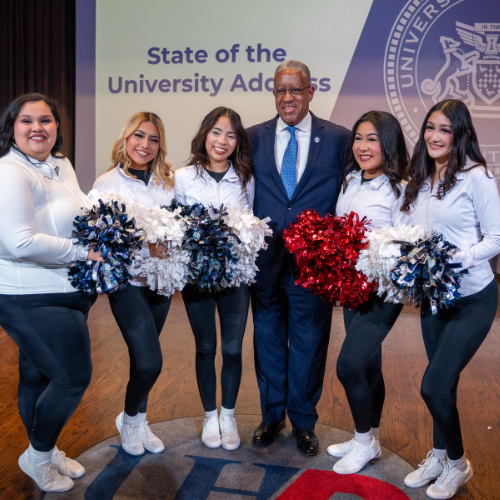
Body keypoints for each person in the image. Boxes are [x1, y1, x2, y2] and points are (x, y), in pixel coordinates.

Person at [247, 60, 350, 456]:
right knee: (268, 341)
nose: (287, 97)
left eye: (295, 89)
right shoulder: (252, 137)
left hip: (313, 266)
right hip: (266, 262)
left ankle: (304, 422)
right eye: (279, 90)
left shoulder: (339, 138)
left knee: (309, 344)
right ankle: (272, 417)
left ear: (310, 91)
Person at [0, 93, 103, 492]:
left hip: (66, 288)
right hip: (29, 294)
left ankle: (44, 447)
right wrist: (84, 253)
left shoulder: (60, 165)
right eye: (27, 121)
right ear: (12, 127)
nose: (37, 128)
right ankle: (38, 456)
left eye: (46, 120)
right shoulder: (10, 171)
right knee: (72, 378)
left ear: (58, 126)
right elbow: (20, 242)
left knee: (36, 375)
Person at [401, 99, 500, 499]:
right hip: (434, 298)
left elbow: (496, 237)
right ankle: (440, 456)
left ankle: (458, 464)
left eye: (445, 129)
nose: (435, 136)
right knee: (445, 383)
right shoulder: (421, 177)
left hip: (473, 298)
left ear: (460, 135)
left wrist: (458, 259)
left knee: (433, 386)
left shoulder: (476, 177)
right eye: (430, 127)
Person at [329, 111, 409, 473]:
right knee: (369, 365)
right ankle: (371, 437)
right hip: (351, 287)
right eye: (358, 138)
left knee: (348, 366)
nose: (362, 146)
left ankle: (363, 442)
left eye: (372, 139)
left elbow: (405, 246)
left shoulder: (401, 190)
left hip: (382, 292)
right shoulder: (349, 181)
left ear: (388, 143)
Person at [92, 112, 175, 456]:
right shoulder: (106, 183)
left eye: (153, 139)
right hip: (126, 282)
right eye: (139, 136)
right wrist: (140, 241)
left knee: (142, 358)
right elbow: (96, 238)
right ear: (126, 138)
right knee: (150, 362)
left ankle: (140, 418)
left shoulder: (166, 182)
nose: (145, 145)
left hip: (161, 280)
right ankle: (128, 421)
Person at [174, 107, 254, 451]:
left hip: (236, 277)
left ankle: (228, 415)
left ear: (238, 142)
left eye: (231, 135)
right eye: (217, 132)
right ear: (204, 134)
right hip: (197, 278)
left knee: (233, 349)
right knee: (205, 348)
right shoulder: (182, 177)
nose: (222, 141)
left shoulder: (247, 178)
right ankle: (210, 415)